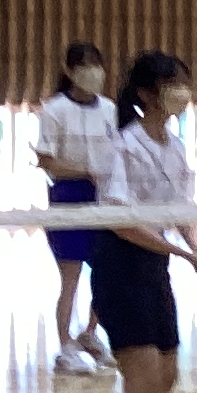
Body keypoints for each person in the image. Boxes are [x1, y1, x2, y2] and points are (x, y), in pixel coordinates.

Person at [90, 51, 197, 393]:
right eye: (170, 83)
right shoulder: (121, 145)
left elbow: (181, 209)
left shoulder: (176, 148)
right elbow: (121, 221)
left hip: (155, 266)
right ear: (145, 93)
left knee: (166, 373)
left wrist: (196, 246)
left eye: (184, 81)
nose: (181, 91)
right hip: (121, 264)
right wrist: (183, 255)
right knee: (141, 378)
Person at [35, 41, 118, 375]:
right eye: (84, 66)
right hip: (68, 196)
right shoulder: (54, 109)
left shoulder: (109, 109)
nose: (93, 72)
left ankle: (90, 333)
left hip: (104, 196)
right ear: (69, 71)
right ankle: (65, 346)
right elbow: (46, 160)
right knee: (70, 278)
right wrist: (85, 172)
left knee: (106, 273)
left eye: (97, 65)